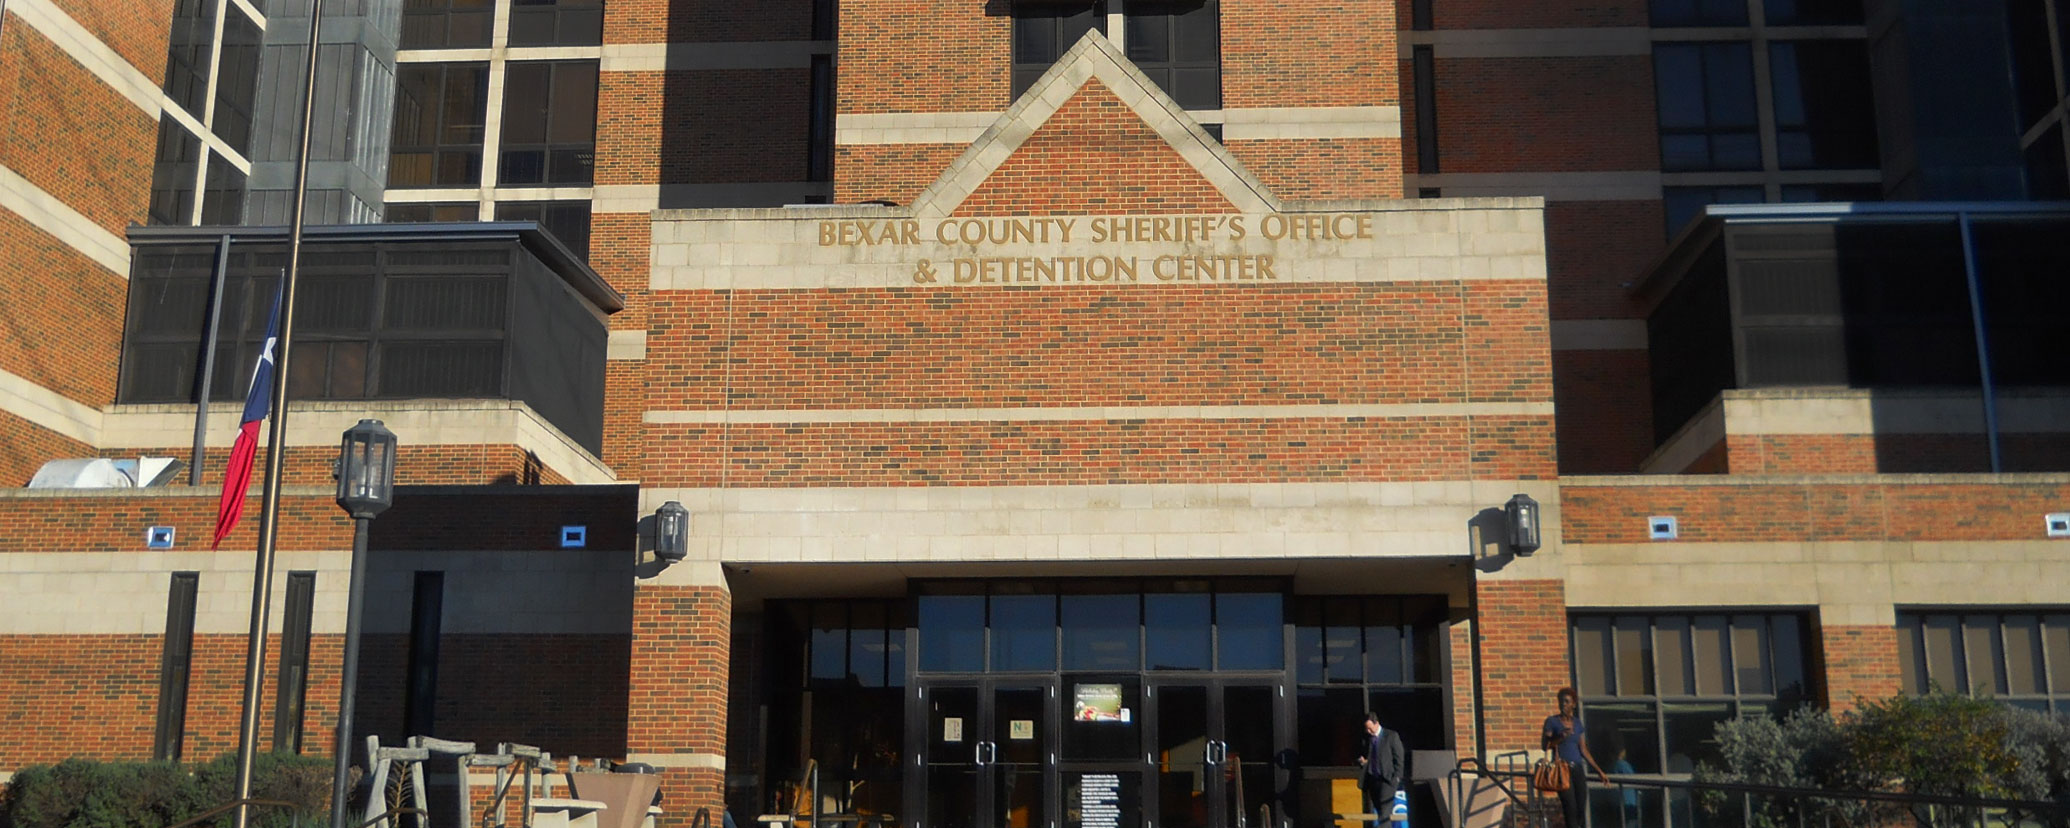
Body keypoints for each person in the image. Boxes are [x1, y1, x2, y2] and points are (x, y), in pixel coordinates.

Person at [1542, 687, 1609, 828]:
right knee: (1570, 808)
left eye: (1567, 702)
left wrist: (1599, 771)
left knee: (1580, 808)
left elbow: (1583, 749)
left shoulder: (1577, 723)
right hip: (1563, 770)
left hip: (1577, 769)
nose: (1563, 705)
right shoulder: (1552, 722)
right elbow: (1545, 745)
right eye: (1561, 702)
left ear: (1573, 704)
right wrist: (1560, 737)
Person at [1357, 712, 1404, 828]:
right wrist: (1362, 761)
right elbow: (1365, 755)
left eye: (1370, 728)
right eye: (1366, 729)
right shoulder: (1367, 739)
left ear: (1376, 723)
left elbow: (1399, 758)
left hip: (1387, 780)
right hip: (1373, 780)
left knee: (1384, 813)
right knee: (1381, 813)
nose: (1368, 731)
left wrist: (1396, 778)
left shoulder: (1391, 736)